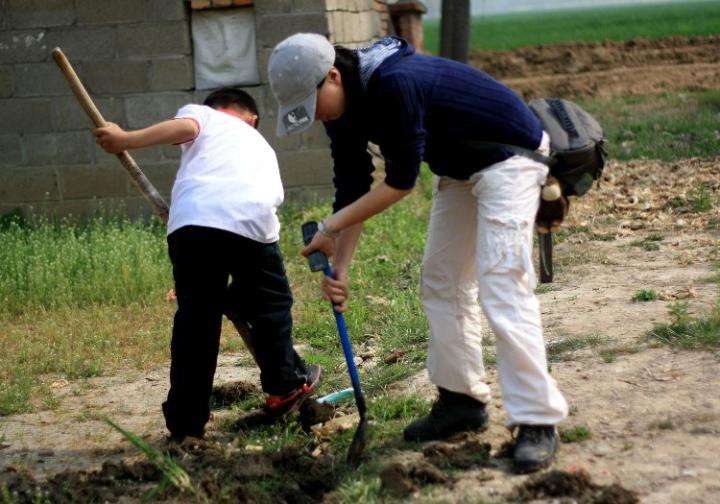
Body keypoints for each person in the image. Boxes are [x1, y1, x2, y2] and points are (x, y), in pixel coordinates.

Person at [267, 34, 568, 473]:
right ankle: (461, 399)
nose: (314, 118)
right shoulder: (342, 112)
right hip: (461, 169)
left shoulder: (394, 83)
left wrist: (331, 228)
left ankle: (537, 419)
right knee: (440, 278)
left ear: (333, 76)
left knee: (502, 281)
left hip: (509, 157)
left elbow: (401, 182)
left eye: (312, 105)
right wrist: (341, 268)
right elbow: (352, 187)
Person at [93, 88, 321, 441]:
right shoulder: (263, 147)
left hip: (194, 227)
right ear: (253, 120)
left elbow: (185, 127)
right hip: (254, 226)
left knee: (196, 324)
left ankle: (186, 424)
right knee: (271, 308)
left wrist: (126, 139)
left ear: (239, 115)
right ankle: (284, 387)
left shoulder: (205, 116)